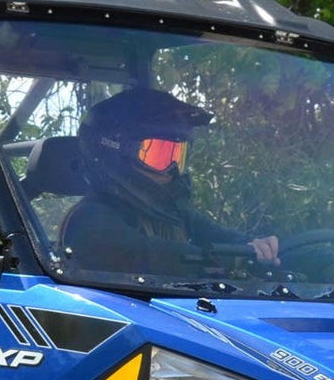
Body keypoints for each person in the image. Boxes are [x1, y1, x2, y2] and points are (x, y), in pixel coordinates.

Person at [60, 87, 281, 275]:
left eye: (179, 156)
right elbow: (155, 257)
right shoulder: (88, 220)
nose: (172, 169)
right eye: (159, 155)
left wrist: (260, 248)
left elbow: (228, 240)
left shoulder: (171, 215)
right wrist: (232, 259)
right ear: (114, 153)